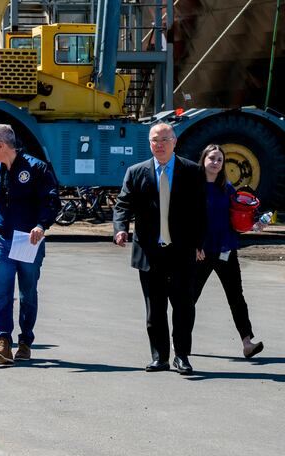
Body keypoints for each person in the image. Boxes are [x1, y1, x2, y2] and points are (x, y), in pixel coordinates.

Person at [113, 122, 206, 375]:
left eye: (165, 139)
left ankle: (182, 356)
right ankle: (160, 357)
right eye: (155, 140)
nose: (160, 144)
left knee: (183, 306)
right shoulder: (136, 172)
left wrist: (199, 243)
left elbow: (200, 211)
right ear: (149, 143)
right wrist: (120, 228)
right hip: (150, 252)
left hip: (181, 251)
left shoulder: (192, 171)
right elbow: (123, 204)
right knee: (154, 309)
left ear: (175, 142)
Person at [0, 124, 61, 365]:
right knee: (3, 293)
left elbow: (51, 201)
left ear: (1, 145)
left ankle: (25, 341)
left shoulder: (36, 168)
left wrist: (41, 225)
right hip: (2, 239)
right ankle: (2, 341)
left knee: (27, 293)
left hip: (28, 240)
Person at [194, 144, 264, 358]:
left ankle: (247, 342)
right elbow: (185, 219)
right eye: (212, 158)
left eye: (220, 160)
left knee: (236, 296)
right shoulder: (193, 187)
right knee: (188, 298)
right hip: (201, 251)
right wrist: (194, 245)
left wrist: (254, 224)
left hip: (226, 249)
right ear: (204, 159)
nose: (216, 163)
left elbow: (239, 217)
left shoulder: (228, 188)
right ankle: (180, 340)